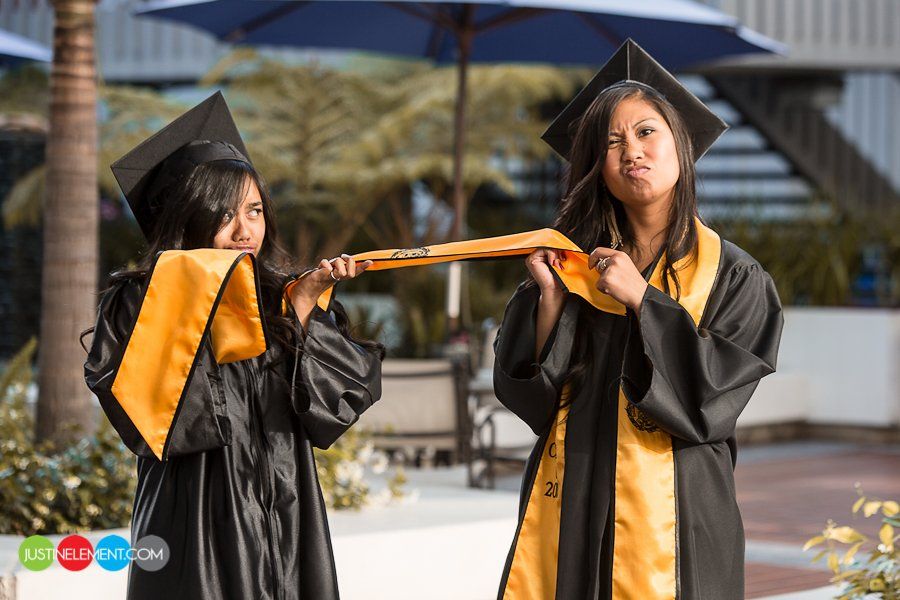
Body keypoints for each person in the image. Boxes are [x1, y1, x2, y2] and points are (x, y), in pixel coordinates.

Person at [493, 40, 784, 600]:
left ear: (682, 145)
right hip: (576, 494)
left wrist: (643, 302)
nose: (633, 152)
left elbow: (710, 406)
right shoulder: (570, 268)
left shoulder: (735, 277)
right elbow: (530, 403)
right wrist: (550, 304)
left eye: (647, 132)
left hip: (681, 516)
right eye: (612, 142)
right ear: (595, 168)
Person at [83, 92, 383, 600]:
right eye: (224, 214)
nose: (246, 230)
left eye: (255, 210)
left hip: (289, 509)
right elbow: (158, 419)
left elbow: (330, 412)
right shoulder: (142, 299)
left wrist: (304, 308)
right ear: (187, 218)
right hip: (196, 512)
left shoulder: (281, 293)